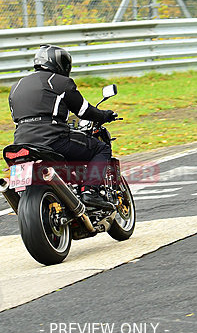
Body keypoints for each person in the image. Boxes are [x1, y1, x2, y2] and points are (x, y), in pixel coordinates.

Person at [9, 44, 118, 209]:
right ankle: (90, 191)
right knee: (100, 148)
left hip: (20, 143)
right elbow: (84, 110)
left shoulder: (16, 86)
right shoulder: (60, 82)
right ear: (58, 63)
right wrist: (105, 115)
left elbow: (16, 119)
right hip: (53, 139)